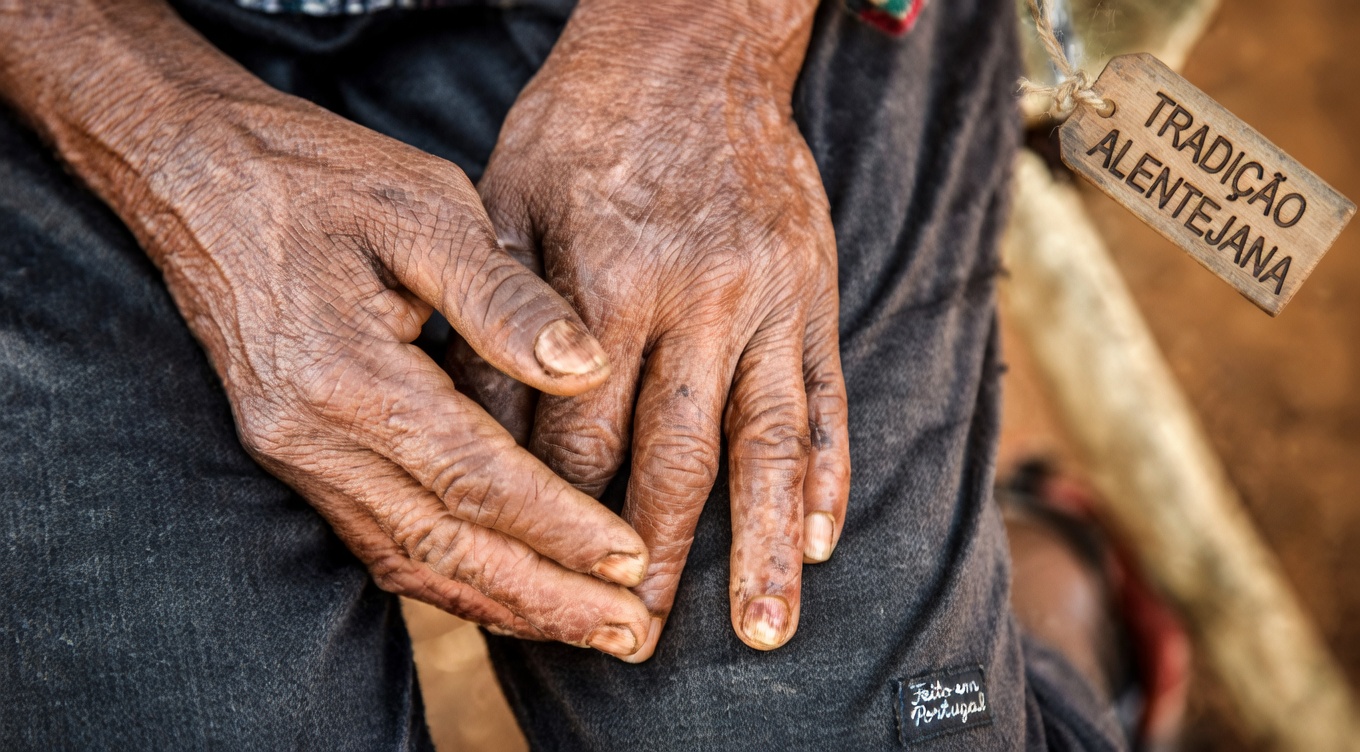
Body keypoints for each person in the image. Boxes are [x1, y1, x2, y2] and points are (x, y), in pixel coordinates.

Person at [0, 0, 1127, 748]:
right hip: (79, 64)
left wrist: (705, 42)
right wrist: (163, 140)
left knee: (797, 704)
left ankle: (1037, 605)